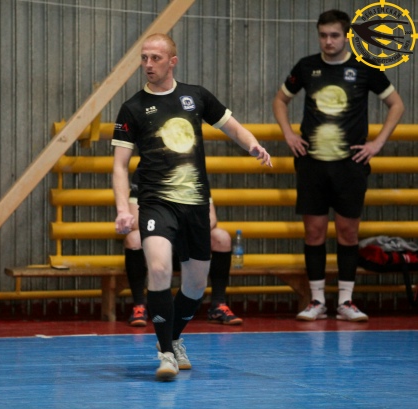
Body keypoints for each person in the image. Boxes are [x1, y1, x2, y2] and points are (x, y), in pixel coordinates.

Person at [112, 33, 272, 380]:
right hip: (156, 202)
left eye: (156, 58)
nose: (148, 64)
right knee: (158, 268)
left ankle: (173, 337)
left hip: (195, 203)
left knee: (196, 286)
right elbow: (120, 166)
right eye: (144, 58)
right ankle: (166, 353)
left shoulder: (195, 97)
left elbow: (233, 128)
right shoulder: (132, 108)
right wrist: (123, 209)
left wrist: (253, 145)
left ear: (172, 61)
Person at [272, 10, 404, 322]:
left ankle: (346, 301)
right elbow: (280, 101)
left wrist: (377, 144)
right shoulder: (307, 67)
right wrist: (289, 134)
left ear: (346, 37)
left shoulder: (365, 67)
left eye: (334, 35)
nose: (328, 41)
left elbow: (396, 105)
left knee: (348, 232)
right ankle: (317, 301)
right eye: (323, 35)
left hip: (350, 164)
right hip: (312, 164)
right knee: (314, 232)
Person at [125, 170, 242, 327]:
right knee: (134, 239)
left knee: (222, 238)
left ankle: (218, 305)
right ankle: (139, 306)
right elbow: (135, 220)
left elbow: (211, 218)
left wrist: (188, 233)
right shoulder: (144, 171)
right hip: (158, 243)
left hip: (189, 243)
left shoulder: (194, 170)